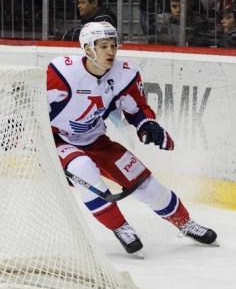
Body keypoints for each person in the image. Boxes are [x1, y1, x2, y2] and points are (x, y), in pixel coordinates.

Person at [47, 22, 217, 255]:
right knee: (83, 168)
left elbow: (137, 108)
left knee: (144, 183)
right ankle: (121, 227)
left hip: (96, 139)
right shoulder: (61, 72)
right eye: (103, 46)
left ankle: (185, 223)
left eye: (113, 45)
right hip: (58, 140)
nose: (111, 52)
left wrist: (148, 125)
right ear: (87, 49)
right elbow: (32, 105)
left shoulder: (124, 73)